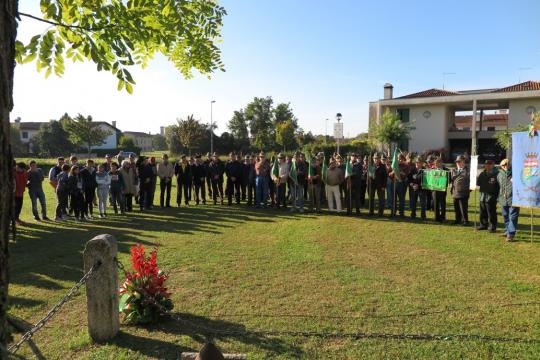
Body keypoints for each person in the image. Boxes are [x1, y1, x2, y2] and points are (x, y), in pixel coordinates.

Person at [497, 159, 519, 241]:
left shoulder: (515, 173)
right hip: (503, 199)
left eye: (507, 165)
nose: (505, 167)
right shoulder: (499, 175)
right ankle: (507, 231)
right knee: (505, 216)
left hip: (514, 198)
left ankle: (511, 234)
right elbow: (499, 187)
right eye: (503, 165)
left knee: (513, 216)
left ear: (510, 165)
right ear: (501, 166)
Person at [477, 160, 499, 232]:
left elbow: (499, 186)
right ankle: (483, 225)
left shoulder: (496, 174)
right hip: (482, 196)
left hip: (491, 196)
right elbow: (478, 183)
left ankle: (492, 227)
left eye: (490, 164)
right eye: (486, 164)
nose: (488, 166)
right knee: (482, 212)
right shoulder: (482, 174)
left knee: (491, 213)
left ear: (493, 165)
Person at [450, 155, 470, 225]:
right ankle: (457, 220)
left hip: (464, 193)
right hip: (455, 192)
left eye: (459, 161)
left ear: (463, 162)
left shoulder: (468, 171)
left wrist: (468, 190)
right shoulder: (453, 170)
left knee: (463, 208)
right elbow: (451, 181)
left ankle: (465, 220)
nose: (457, 163)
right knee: (456, 208)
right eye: (457, 162)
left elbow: (471, 182)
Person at [432, 158, 450, 223]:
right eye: (436, 163)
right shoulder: (432, 170)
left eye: (438, 163)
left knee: (442, 204)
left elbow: (449, 179)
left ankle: (443, 217)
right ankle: (436, 218)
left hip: (442, 190)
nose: (437, 164)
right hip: (434, 190)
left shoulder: (446, 170)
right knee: (435, 204)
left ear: (441, 163)